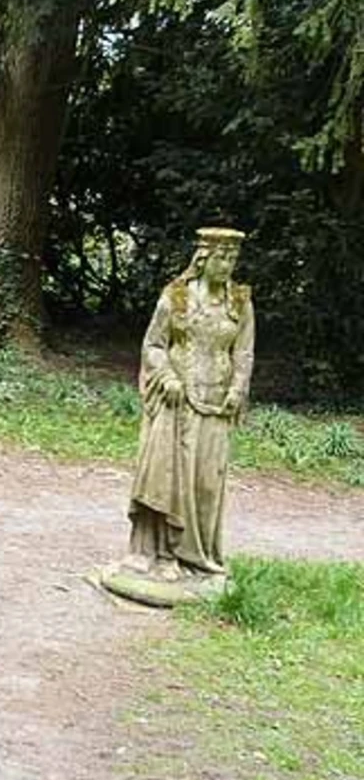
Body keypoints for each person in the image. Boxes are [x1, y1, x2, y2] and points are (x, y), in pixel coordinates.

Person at [123, 227, 254, 579]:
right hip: (177, 402)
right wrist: (166, 376)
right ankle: (160, 552)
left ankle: (197, 555)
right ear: (203, 259)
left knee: (206, 482)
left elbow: (244, 353)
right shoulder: (177, 297)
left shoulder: (240, 302)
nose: (226, 265)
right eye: (220, 258)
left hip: (217, 405)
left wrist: (238, 389)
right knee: (168, 478)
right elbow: (153, 344)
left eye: (232, 259)